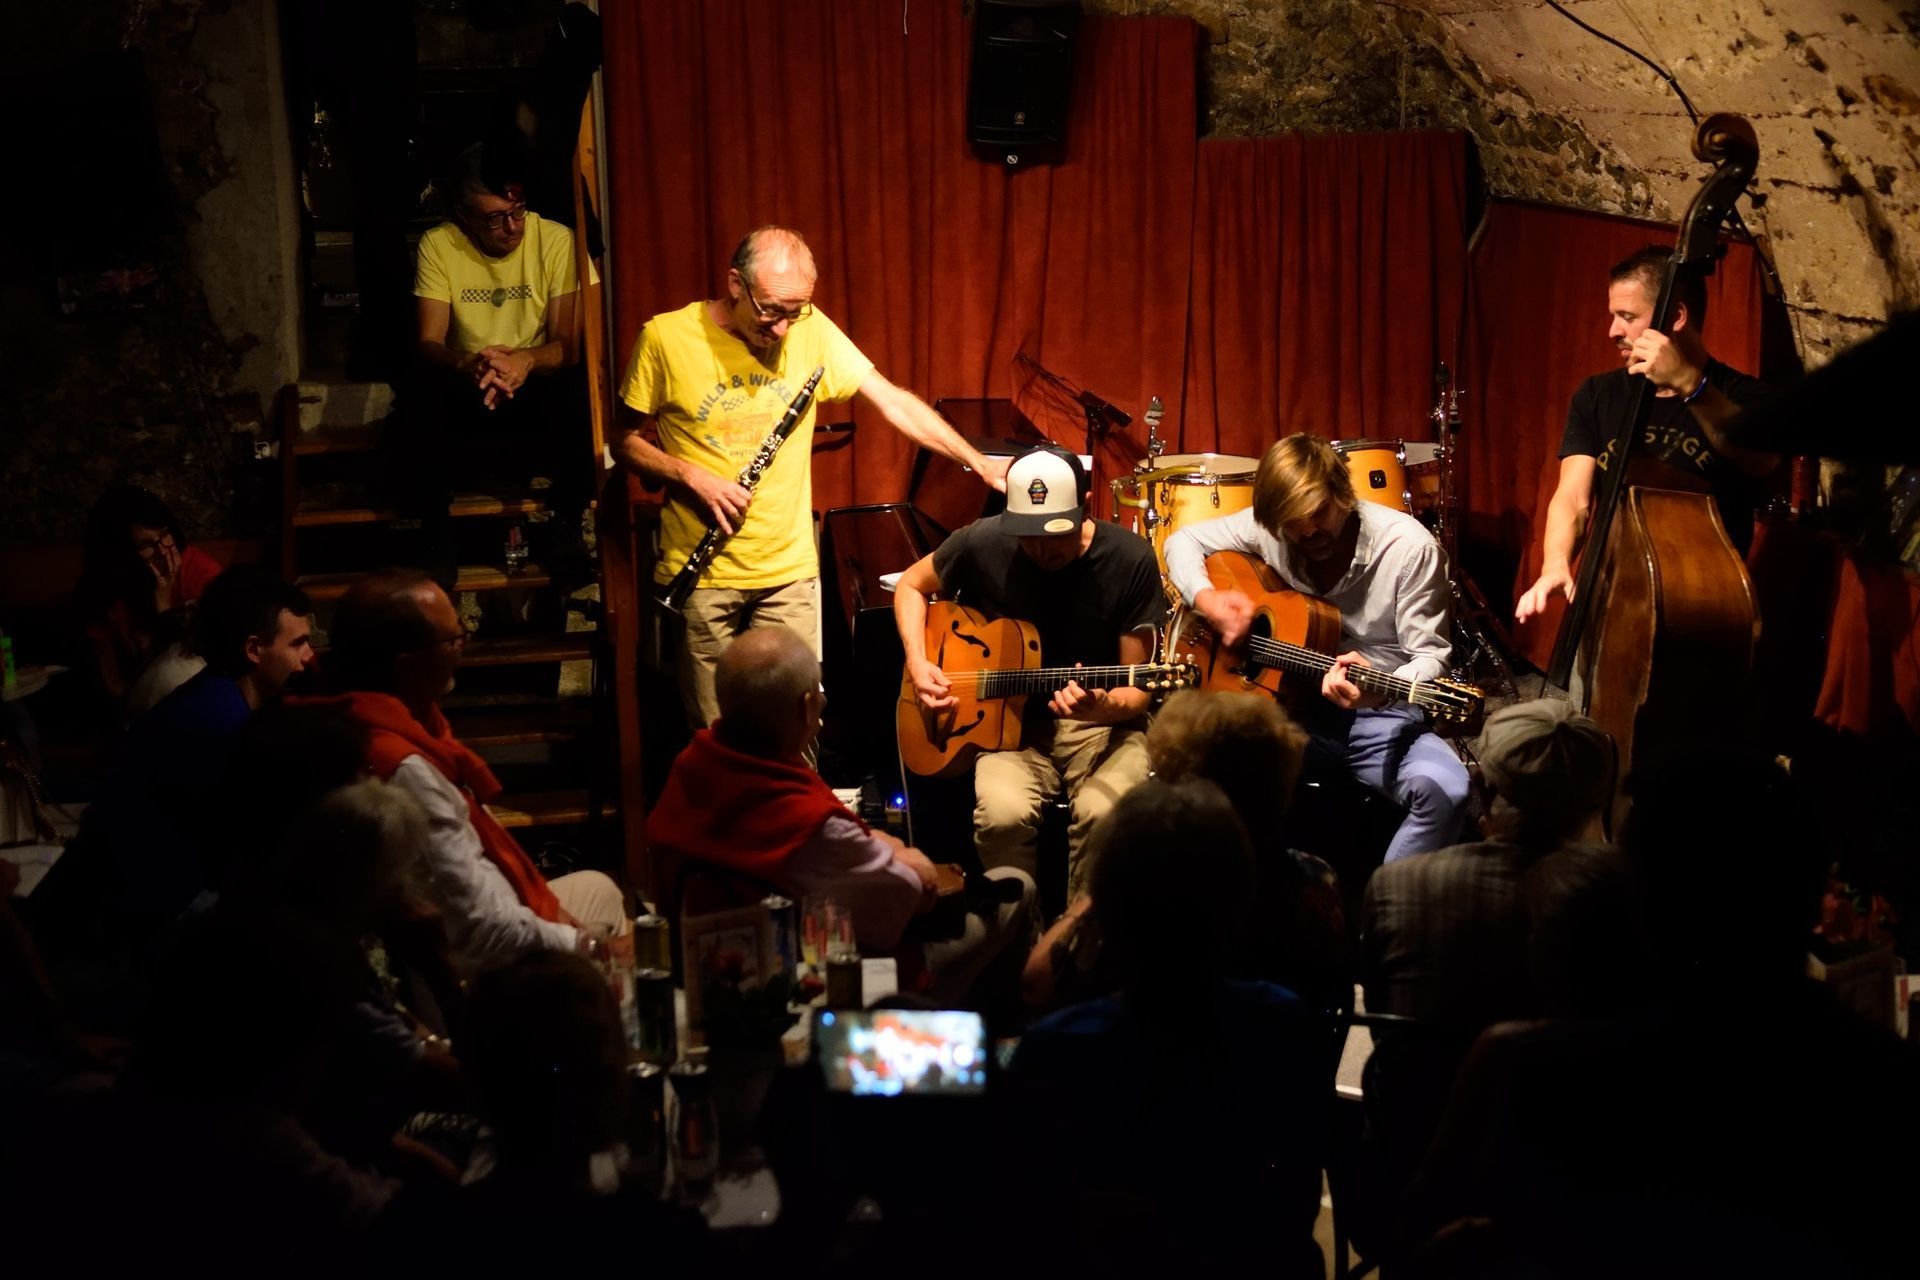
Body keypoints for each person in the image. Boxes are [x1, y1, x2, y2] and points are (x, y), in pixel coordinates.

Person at [613, 225, 1010, 726]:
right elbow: (622, 441)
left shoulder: (811, 329)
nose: (782, 329)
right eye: (770, 311)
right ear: (735, 284)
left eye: (794, 312)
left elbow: (892, 400)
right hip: (703, 572)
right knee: (717, 739)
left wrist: (978, 461)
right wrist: (690, 475)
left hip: (789, 573)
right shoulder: (665, 339)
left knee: (798, 730)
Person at [1004, 778, 1332, 1274]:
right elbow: (1297, 1203)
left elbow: (1035, 1225)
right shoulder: (1285, 1025)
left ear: (1105, 910)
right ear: (1240, 901)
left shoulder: (1056, 1049)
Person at [647, 626, 1036, 1007]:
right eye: (819, 695)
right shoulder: (810, 825)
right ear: (806, 708)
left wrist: (883, 846)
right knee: (1018, 886)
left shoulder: (689, 768)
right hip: (816, 992)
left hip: (705, 983)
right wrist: (904, 854)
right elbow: (912, 893)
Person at [1165, 433, 1470, 864]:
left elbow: (1430, 657)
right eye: (1294, 522)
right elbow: (1182, 541)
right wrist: (1207, 600)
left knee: (1448, 792)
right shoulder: (1269, 530)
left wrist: (1381, 687)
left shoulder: (1409, 548)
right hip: (1276, 708)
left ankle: (1386, 903)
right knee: (1195, 777)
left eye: (1320, 512)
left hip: (1376, 712)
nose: (1309, 530)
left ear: (1342, 494)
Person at [315, 569, 625, 973]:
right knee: (626, 955)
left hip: (478, 918)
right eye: (452, 639)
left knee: (598, 890)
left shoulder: (380, 721)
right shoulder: (404, 769)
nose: (463, 647)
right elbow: (482, 931)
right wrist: (590, 945)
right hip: (474, 967)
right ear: (408, 666)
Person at [894, 446, 1164, 895]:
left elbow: (1137, 692)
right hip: (1008, 730)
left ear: (1085, 506)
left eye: (1054, 535)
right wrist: (918, 662)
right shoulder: (983, 540)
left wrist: (1099, 708)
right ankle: (1015, 929)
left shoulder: (1128, 559)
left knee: (1105, 815)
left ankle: (1080, 932)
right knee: (1001, 816)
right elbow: (910, 585)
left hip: (1102, 728)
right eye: (1027, 536)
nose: (1040, 550)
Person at [1516, 244, 1778, 625]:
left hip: (1701, 611)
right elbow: (1573, 497)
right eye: (1613, 316)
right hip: (1608, 604)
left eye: (1627, 317)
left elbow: (1762, 458)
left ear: (1676, 316)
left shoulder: (1744, 397)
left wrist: (1690, 385)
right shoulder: (1597, 395)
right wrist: (1555, 562)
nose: (1613, 331)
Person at [394, 141, 585, 587]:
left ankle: (567, 527)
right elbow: (429, 341)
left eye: (517, 211)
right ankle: (437, 538)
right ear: (465, 217)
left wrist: (525, 360)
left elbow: (569, 345)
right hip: (472, 385)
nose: (512, 226)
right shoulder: (440, 244)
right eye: (495, 218)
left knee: (580, 392)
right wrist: (468, 363)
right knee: (418, 396)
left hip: (533, 384)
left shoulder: (555, 239)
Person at [88, 567, 314, 929]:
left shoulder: (215, 693)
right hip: (151, 909)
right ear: (253, 649)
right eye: (297, 643)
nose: (309, 656)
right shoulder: (219, 720)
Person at [75, 484, 222, 708]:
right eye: (145, 544)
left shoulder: (199, 572)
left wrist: (163, 606)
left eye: (164, 535)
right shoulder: (104, 586)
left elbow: (188, 667)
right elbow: (112, 681)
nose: (162, 550)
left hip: (197, 695)